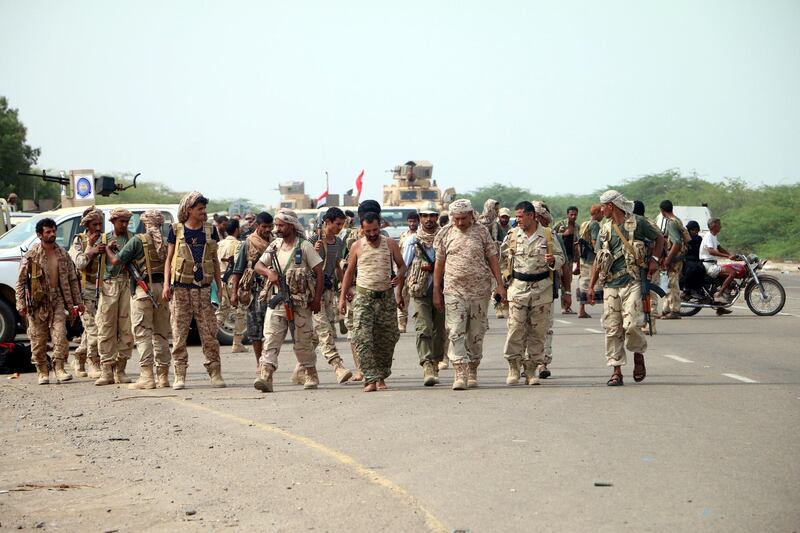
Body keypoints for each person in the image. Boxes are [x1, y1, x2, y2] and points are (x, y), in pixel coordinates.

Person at [588, 190, 664, 386]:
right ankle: (616, 370)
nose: (601, 209)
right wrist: (591, 286)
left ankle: (638, 354)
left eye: (603, 206)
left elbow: (659, 238)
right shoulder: (604, 229)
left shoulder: (638, 222)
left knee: (631, 325)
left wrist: (655, 259)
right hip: (610, 284)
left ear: (611, 206)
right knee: (612, 328)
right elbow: (598, 259)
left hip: (633, 281)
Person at [433, 199, 506, 390]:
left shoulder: (481, 231)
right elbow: (439, 264)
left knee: (476, 333)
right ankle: (459, 371)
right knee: (455, 331)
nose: (460, 222)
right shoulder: (445, 233)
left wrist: (500, 284)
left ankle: (473, 368)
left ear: (471, 215)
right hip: (454, 291)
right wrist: (436, 291)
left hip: (479, 291)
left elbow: (492, 258)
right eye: (456, 218)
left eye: (463, 218)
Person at [253, 209, 324, 392]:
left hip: (300, 303)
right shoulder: (275, 246)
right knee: (270, 339)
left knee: (303, 341)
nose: (277, 229)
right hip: (278, 301)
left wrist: (316, 299)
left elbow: (319, 273)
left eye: (281, 225)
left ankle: (309, 373)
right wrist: (269, 272)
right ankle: (266, 376)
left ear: (291, 225)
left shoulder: (304, 246)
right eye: (276, 225)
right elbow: (258, 265)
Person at [163, 192, 226, 389]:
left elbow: (214, 260)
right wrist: (166, 285)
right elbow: (169, 259)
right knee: (179, 333)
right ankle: (179, 375)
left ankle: (215, 372)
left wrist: (219, 285)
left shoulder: (210, 231)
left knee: (209, 333)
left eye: (204, 208)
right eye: (200, 209)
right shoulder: (176, 230)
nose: (203, 212)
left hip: (204, 289)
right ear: (189, 209)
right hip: (181, 289)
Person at [338, 209, 406, 392]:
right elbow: (349, 273)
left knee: (386, 338)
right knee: (363, 338)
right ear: (362, 229)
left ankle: (381, 376)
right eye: (368, 231)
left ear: (379, 226)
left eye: (375, 230)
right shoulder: (357, 246)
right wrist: (342, 299)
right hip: (363, 297)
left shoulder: (390, 243)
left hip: (385, 298)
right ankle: (370, 378)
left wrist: (399, 277)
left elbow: (402, 266)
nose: (372, 234)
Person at [501, 201, 565, 386]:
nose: (518, 220)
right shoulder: (512, 235)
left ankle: (531, 369)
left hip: (542, 288)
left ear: (532, 215)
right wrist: (503, 285)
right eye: (517, 216)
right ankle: (514, 366)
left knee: (538, 332)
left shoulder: (548, 234)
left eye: (521, 216)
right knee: (515, 328)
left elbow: (562, 259)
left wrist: (553, 260)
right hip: (518, 288)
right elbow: (503, 259)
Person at [106, 209, 172, 389]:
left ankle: (147, 376)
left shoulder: (138, 240)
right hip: (163, 291)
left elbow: (116, 261)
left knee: (143, 335)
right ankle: (163, 377)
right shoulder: (166, 243)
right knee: (161, 335)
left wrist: (106, 249)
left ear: (145, 224)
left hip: (144, 291)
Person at [15, 218, 83, 384]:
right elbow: (21, 281)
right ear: (40, 235)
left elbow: (73, 279)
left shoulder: (63, 254)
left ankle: (59, 368)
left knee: (60, 335)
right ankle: (42, 371)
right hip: (38, 302)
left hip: (57, 300)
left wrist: (77, 302)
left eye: (54, 231)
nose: (52, 234)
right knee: (38, 340)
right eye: (48, 232)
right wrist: (20, 303)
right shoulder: (32, 255)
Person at [308, 207, 353, 384]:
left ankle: (302, 368)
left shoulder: (339, 243)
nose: (340, 227)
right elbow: (302, 264)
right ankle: (337, 366)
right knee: (324, 329)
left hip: (327, 290)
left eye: (342, 224)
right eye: (337, 224)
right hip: (313, 291)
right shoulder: (313, 240)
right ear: (327, 222)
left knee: (316, 335)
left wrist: (344, 287)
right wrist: (313, 250)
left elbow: (336, 266)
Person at [403, 203, 445, 386]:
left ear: (437, 217)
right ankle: (427, 364)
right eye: (425, 216)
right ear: (420, 218)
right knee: (423, 328)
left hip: (443, 291)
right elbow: (403, 267)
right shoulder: (412, 240)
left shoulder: (445, 238)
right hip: (420, 290)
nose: (429, 219)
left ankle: (436, 361)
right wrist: (399, 293)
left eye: (432, 216)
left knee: (440, 332)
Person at [94, 208, 135, 386]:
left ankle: (120, 368)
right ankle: (106, 369)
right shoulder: (103, 240)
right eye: (121, 221)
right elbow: (86, 264)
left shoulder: (133, 239)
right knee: (106, 328)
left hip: (126, 284)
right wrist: (97, 250)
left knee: (127, 328)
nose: (124, 225)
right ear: (113, 222)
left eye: (127, 221)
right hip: (108, 285)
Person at [231, 212, 274, 367]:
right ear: (257, 226)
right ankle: (259, 363)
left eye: (270, 226)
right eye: (264, 226)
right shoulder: (248, 243)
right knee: (255, 330)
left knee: (273, 329)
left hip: (273, 290)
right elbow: (237, 270)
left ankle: (268, 361)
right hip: (255, 291)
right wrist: (234, 294)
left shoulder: (276, 242)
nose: (267, 229)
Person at [69, 207, 106, 378]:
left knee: (95, 329)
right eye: (95, 224)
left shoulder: (106, 239)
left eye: (100, 224)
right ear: (87, 225)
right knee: (93, 329)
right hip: (85, 291)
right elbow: (79, 263)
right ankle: (93, 362)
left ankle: (79, 356)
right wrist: (90, 250)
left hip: (105, 290)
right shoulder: (79, 241)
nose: (98, 228)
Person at [216, 218, 248, 353]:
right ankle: (237, 342)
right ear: (236, 230)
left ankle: (210, 338)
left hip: (220, 279)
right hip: (233, 280)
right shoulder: (239, 245)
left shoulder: (218, 244)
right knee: (240, 311)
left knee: (222, 310)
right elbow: (238, 265)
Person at [699, 218, 744, 304]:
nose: (721, 226)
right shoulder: (708, 236)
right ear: (713, 226)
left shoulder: (714, 236)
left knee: (727, 277)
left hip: (712, 264)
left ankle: (720, 307)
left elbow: (720, 248)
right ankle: (719, 295)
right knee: (732, 273)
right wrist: (728, 256)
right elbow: (711, 251)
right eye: (719, 224)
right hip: (708, 266)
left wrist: (732, 256)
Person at [658, 200, 690, 319]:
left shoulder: (671, 223)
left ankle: (675, 310)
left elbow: (676, 242)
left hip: (674, 258)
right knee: (668, 284)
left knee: (672, 284)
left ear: (662, 211)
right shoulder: (677, 220)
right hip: (678, 257)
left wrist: (668, 258)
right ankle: (666, 310)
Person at [576, 204, 603, 318]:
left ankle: (581, 309)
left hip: (583, 257)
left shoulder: (584, 224)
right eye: (601, 212)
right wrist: (599, 256)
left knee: (584, 282)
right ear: (597, 213)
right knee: (598, 282)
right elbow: (594, 241)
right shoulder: (595, 224)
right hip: (592, 258)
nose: (603, 215)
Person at [553, 206, 580, 314]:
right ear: (567, 214)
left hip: (570, 257)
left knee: (567, 282)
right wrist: (564, 234)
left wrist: (578, 261)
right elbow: (551, 235)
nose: (573, 216)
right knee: (556, 281)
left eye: (575, 214)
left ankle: (566, 306)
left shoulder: (577, 227)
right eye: (571, 214)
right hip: (559, 256)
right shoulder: (560, 225)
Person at [396, 211, 419, 332]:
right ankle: (401, 324)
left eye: (414, 221)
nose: (412, 223)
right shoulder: (403, 235)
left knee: (418, 298)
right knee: (402, 297)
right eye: (410, 221)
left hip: (417, 272)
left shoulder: (421, 235)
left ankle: (419, 323)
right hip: (404, 270)